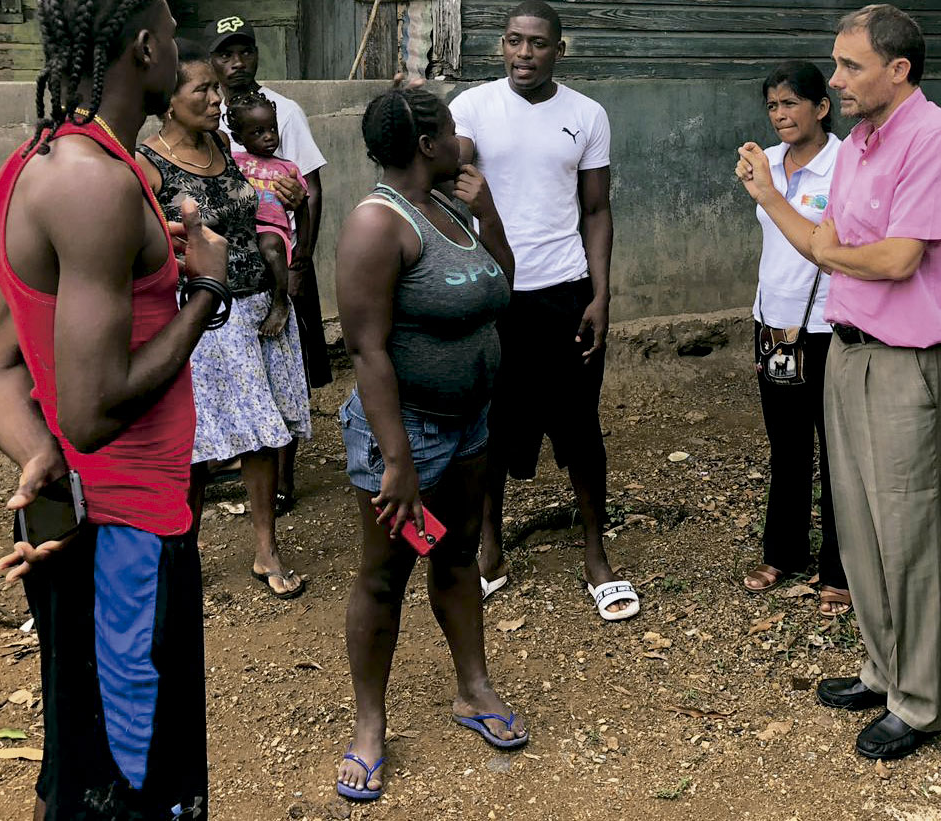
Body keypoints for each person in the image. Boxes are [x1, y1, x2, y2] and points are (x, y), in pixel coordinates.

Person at [0, 0, 231, 815]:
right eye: (172, 35)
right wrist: (206, 293)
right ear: (147, 48)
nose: (183, 53)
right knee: (136, 781)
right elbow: (89, 413)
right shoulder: (93, 183)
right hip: (126, 535)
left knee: (80, 755)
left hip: (71, 509)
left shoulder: (43, 162)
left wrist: (35, 454)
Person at [736, 4, 941, 760]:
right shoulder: (865, 145)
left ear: (898, 70)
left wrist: (838, 249)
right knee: (862, 523)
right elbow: (826, 243)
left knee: (905, 528)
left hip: (906, 361)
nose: (835, 79)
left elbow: (895, 259)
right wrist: (774, 198)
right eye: (836, 66)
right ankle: (880, 669)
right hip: (846, 348)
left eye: (849, 66)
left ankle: (918, 699)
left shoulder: (935, 138)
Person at [332, 86, 524, 802]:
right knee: (383, 577)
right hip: (405, 434)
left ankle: (474, 690)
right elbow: (367, 349)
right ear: (424, 145)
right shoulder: (377, 227)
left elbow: (504, 285)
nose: (461, 139)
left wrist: (489, 213)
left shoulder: (450, 206)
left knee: (457, 555)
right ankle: (369, 727)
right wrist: (399, 460)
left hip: (470, 422)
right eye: (449, 129)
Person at [450, 0, 631, 620]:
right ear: (501, 46)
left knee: (580, 424)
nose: (523, 53)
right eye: (513, 41)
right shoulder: (473, 106)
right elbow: (454, 155)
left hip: (565, 290)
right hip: (493, 291)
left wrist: (602, 294)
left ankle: (595, 552)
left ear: (560, 49)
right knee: (493, 426)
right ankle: (490, 547)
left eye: (537, 43)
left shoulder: (586, 114)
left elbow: (597, 210)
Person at [136, 40, 313, 599]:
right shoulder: (148, 164)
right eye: (203, 90)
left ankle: (265, 549)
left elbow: (258, 210)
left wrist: (293, 201)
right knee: (192, 442)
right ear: (169, 100)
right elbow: (140, 251)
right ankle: (183, 554)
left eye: (217, 88)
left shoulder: (222, 144)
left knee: (263, 435)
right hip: (202, 322)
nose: (217, 99)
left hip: (257, 306)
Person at [737, 60, 850, 618]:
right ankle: (783, 553)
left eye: (791, 103)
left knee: (838, 451)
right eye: (773, 105)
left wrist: (768, 194)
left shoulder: (846, 164)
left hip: (831, 325)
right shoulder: (767, 165)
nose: (780, 114)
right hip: (775, 323)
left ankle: (839, 568)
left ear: (821, 107)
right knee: (786, 445)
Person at [209, 16, 332, 512]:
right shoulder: (206, 114)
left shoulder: (285, 110)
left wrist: (303, 258)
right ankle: (241, 465)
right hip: (231, 264)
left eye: (245, 52)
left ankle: (284, 480)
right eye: (225, 54)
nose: (237, 63)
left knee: (288, 365)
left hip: (282, 254)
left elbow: (312, 186)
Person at [228, 92, 310, 308]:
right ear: (238, 138)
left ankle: (281, 300)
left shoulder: (288, 168)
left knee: (270, 244)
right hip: (242, 230)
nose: (269, 136)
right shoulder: (233, 161)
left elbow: (302, 208)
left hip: (272, 230)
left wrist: (302, 251)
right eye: (258, 132)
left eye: (272, 128)